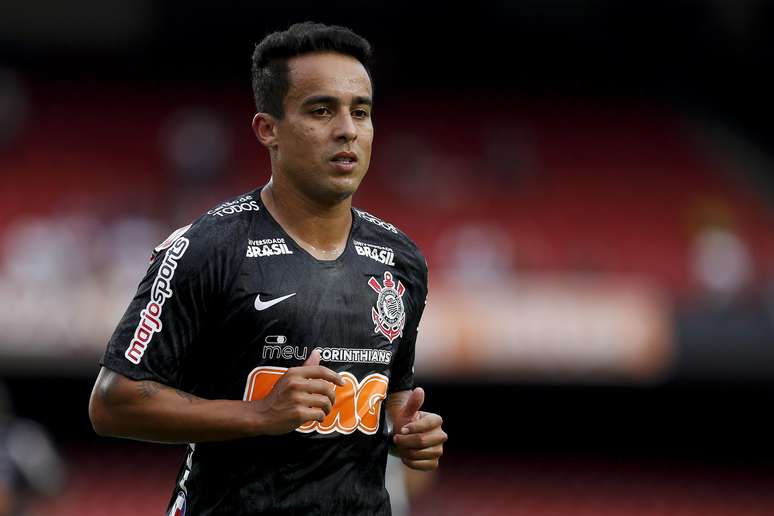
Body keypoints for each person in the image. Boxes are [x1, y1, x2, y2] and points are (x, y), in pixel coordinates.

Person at [88, 21, 446, 515]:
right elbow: (112, 402)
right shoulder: (208, 247)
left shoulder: (402, 260)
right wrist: (258, 415)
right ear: (267, 129)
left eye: (360, 112)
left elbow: (390, 404)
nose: (347, 129)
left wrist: (408, 433)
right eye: (321, 110)